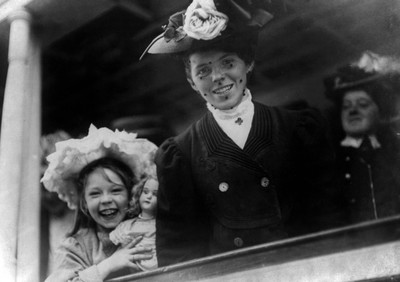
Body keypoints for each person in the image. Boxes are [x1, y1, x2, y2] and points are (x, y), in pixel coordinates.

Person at [141, 0, 333, 266]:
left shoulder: (297, 128)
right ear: (191, 81)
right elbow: (178, 250)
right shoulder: (181, 153)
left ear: (248, 63)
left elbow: (329, 217)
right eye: (203, 71)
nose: (217, 77)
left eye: (227, 62)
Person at [41, 124, 158, 282]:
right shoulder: (77, 247)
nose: (106, 199)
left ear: (132, 196)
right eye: (95, 194)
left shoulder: (149, 228)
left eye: (116, 191)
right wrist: (109, 265)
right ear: (84, 203)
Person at [323, 51, 400, 225]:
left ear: (379, 111)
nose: (353, 111)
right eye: (346, 106)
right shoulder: (327, 159)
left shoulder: (394, 149)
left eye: (363, 104)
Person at [109, 176, 159, 271]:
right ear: (139, 194)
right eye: (145, 192)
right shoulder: (127, 225)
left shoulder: (160, 225)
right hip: (129, 270)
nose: (149, 196)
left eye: (155, 194)